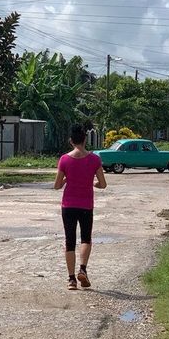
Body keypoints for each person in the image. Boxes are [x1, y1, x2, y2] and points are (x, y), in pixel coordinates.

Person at [54, 124, 107, 290]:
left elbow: (56, 185)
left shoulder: (64, 159)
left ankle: (71, 280)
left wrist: (67, 180)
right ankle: (82, 269)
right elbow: (103, 184)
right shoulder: (94, 159)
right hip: (86, 205)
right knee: (86, 238)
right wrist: (92, 183)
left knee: (70, 240)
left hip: (68, 206)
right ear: (85, 139)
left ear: (71, 141)